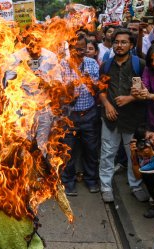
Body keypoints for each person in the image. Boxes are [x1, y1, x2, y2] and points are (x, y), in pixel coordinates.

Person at [98, 28, 147, 203]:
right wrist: (107, 105)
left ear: (131, 45)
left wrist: (130, 97)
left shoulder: (139, 64)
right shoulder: (106, 65)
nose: (119, 45)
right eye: (116, 42)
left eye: (124, 42)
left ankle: (135, 185)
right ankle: (106, 186)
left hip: (133, 118)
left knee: (133, 153)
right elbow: (101, 90)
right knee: (107, 153)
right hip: (110, 118)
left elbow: (147, 90)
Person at [60, 34, 100, 196]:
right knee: (68, 151)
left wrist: (91, 83)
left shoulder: (91, 63)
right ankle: (68, 182)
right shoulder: (62, 65)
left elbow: (97, 88)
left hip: (88, 114)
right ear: (70, 49)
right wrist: (68, 93)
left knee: (91, 149)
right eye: (76, 49)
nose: (79, 52)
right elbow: (58, 93)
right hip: (69, 115)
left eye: (82, 49)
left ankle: (91, 180)